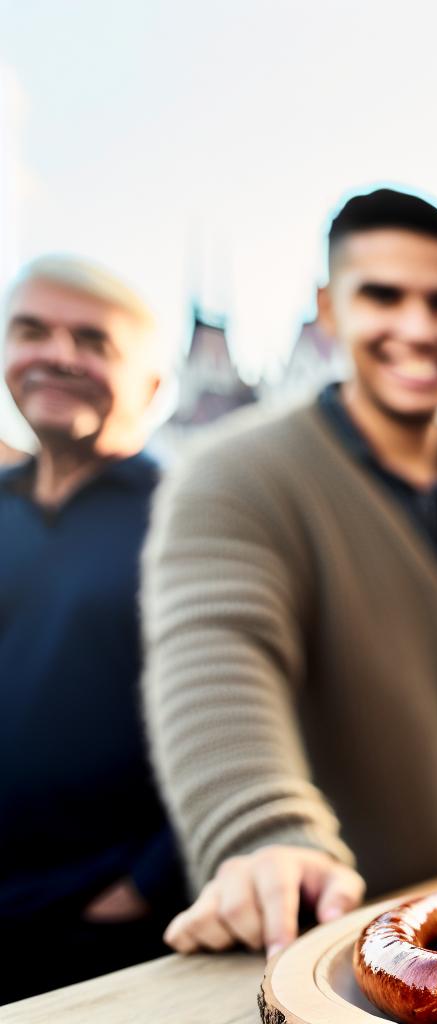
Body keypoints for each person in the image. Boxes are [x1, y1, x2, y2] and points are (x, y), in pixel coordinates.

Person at [143, 188, 437, 958]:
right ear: (328, 310)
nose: (420, 329)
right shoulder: (233, 475)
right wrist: (263, 833)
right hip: (339, 949)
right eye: (383, 297)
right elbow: (217, 655)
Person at [0, 257, 185, 1002]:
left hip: (110, 927)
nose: (57, 355)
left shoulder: (191, 517)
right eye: (32, 330)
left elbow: (284, 708)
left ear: (151, 387)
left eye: (92, 341)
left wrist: (148, 881)